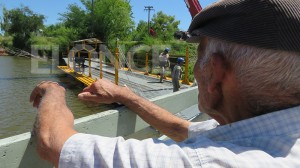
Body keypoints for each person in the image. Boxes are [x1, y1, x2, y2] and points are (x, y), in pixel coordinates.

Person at [30, 0, 300, 167]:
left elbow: (53, 142)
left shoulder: (203, 163)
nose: (194, 69)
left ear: (215, 75)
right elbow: (183, 128)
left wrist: (54, 90)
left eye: (199, 57)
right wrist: (126, 95)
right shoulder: (275, 138)